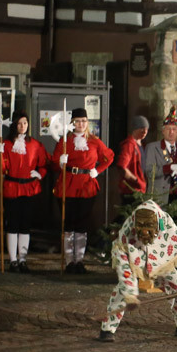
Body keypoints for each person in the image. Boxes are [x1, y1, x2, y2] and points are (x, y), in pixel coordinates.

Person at [99, 200, 177, 342]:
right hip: (136, 262)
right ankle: (107, 329)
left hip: (160, 261)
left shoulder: (167, 224)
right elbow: (124, 266)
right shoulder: (128, 230)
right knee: (121, 292)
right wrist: (130, 293)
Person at [52, 107, 115, 273]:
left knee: (82, 223)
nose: (81, 124)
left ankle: (79, 261)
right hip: (68, 183)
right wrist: (60, 161)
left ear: (87, 123)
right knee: (69, 223)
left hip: (87, 184)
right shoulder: (64, 142)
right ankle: (69, 261)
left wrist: (98, 170)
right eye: (78, 121)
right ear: (73, 123)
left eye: (84, 121)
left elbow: (109, 157)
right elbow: (53, 162)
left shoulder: (94, 141)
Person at [0, 111, 48, 272]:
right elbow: (0, 168)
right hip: (12, 187)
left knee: (25, 225)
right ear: (14, 125)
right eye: (19, 123)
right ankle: (13, 260)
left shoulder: (36, 145)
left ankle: (23, 259)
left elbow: (43, 164)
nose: (23, 126)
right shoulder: (7, 144)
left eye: (25, 123)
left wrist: (40, 174)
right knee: (13, 223)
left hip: (29, 188)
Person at [143, 106, 177, 208]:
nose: (171, 132)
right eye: (168, 129)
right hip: (158, 198)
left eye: (174, 129)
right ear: (163, 131)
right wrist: (168, 168)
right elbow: (148, 171)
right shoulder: (152, 148)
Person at [115, 115, 149, 205]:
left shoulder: (143, 145)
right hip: (131, 190)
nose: (145, 131)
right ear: (135, 128)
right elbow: (122, 167)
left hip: (140, 190)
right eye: (142, 128)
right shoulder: (129, 145)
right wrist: (137, 181)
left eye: (146, 129)